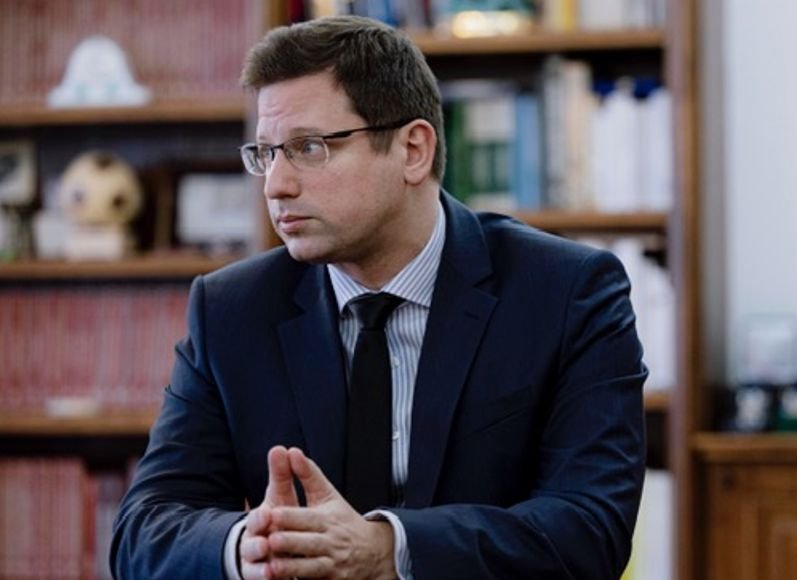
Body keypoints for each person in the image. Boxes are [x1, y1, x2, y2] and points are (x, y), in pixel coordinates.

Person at [111, 15, 646, 580]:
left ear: (413, 150)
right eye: (266, 153)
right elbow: (142, 532)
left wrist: (388, 549)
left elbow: (591, 528)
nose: (276, 185)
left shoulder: (565, 292)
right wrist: (248, 547)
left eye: (308, 148)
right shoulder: (232, 309)